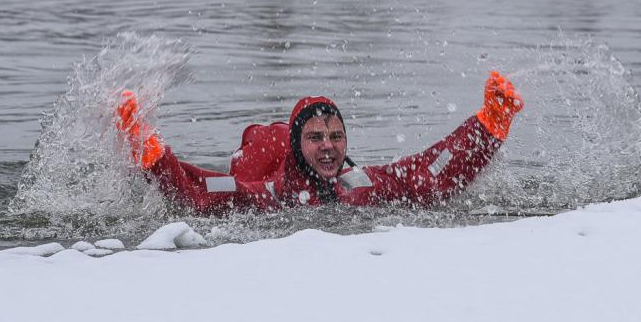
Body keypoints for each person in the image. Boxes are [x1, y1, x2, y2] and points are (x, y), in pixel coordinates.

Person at [116, 71, 523, 214]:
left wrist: (488, 125)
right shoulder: (267, 195)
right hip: (260, 155)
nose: (328, 147)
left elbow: (431, 173)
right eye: (315, 138)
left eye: (335, 136)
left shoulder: (359, 183)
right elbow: (195, 191)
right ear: (298, 145)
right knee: (248, 160)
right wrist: (151, 152)